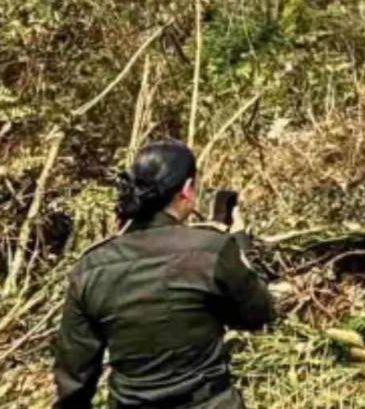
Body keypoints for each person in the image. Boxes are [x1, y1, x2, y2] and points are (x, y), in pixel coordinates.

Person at [53, 138, 275, 408]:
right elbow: (258, 314)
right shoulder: (211, 249)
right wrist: (241, 243)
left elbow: (75, 376)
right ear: (187, 190)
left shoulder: (91, 266)